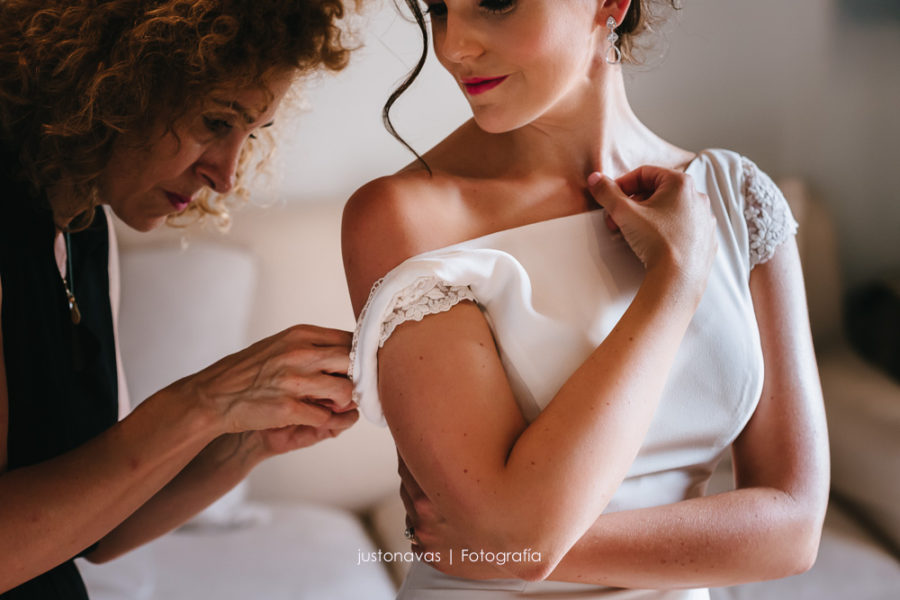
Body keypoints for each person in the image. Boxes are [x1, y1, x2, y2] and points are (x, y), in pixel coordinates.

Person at [342, 0, 829, 598]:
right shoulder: (403, 216)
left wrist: (510, 550)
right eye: (440, 9)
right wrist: (674, 284)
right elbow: (514, 529)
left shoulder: (736, 198)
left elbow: (795, 530)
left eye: (495, 3)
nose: (453, 47)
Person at [0, 1, 360, 597]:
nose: (227, 174)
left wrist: (246, 441)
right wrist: (205, 400)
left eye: (251, 135)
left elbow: (94, 529)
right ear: (110, 79)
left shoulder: (84, 227)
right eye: (217, 123)